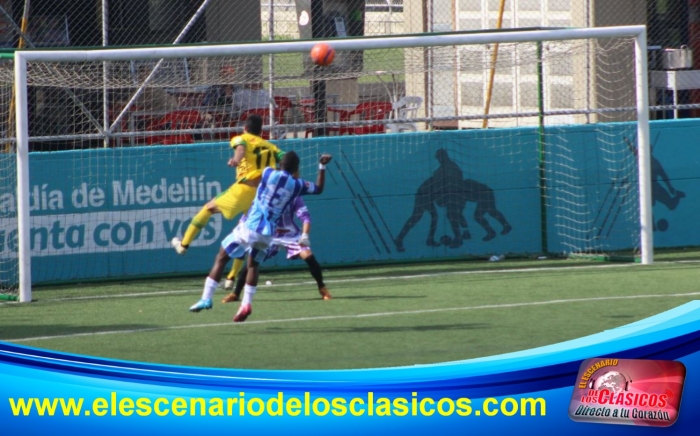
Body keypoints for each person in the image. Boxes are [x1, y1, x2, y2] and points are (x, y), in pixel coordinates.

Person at [189, 151, 332, 322]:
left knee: (222, 257)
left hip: (251, 226)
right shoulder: (297, 185)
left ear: (280, 165)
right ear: (296, 169)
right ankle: (246, 304)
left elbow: (253, 176)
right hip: (268, 234)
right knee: (253, 265)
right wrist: (322, 166)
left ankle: (206, 298)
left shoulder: (268, 172)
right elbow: (319, 189)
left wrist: (237, 163)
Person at [172, 114, 284, 291]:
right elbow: (285, 160)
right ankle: (231, 278)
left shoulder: (242, 138)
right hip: (261, 196)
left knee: (208, 208)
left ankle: (184, 245)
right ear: (261, 130)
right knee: (244, 234)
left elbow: (240, 148)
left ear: (245, 128)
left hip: (244, 190)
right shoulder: (271, 146)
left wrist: (236, 160)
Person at [222, 195, 331, 304]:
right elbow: (247, 216)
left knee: (308, 256)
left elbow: (305, 217)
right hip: (269, 235)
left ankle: (322, 288)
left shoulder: (294, 196)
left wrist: (305, 235)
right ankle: (236, 294)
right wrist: (241, 229)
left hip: (290, 235)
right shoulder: (264, 195)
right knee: (251, 262)